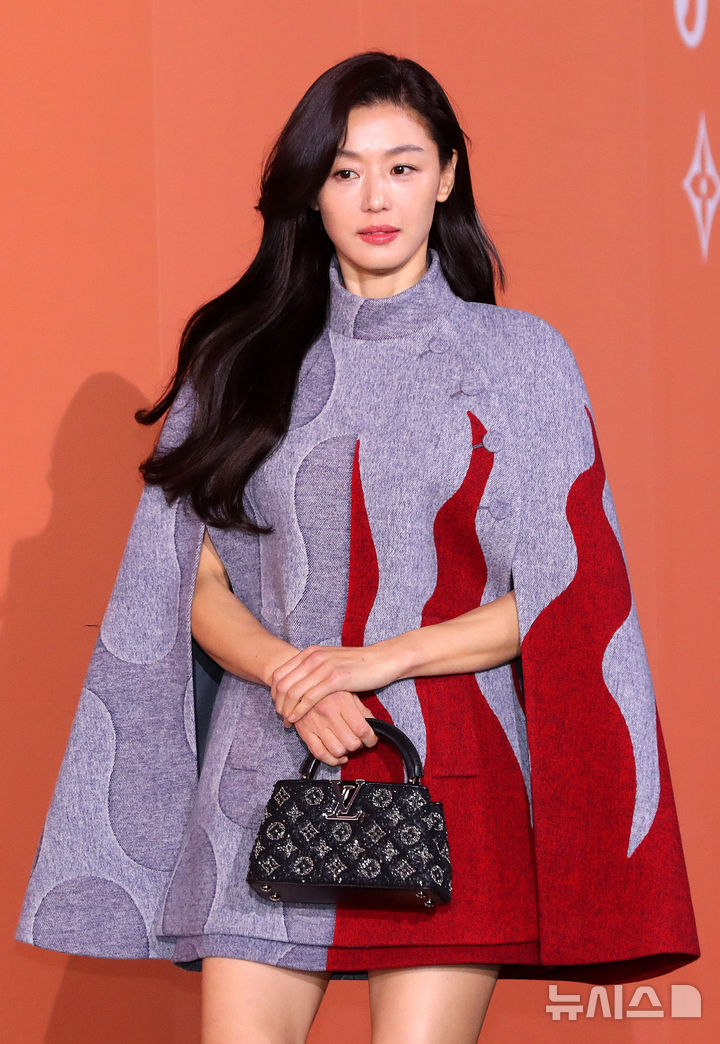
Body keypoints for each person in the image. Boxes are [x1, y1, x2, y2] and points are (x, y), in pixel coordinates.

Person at [15, 51, 700, 1044]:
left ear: (447, 176)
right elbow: (187, 577)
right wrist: (295, 678)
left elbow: (568, 593)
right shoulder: (237, 358)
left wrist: (376, 662)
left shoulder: (521, 359)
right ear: (311, 191)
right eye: (344, 171)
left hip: (451, 768)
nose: (375, 197)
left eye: (402, 166)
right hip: (266, 762)